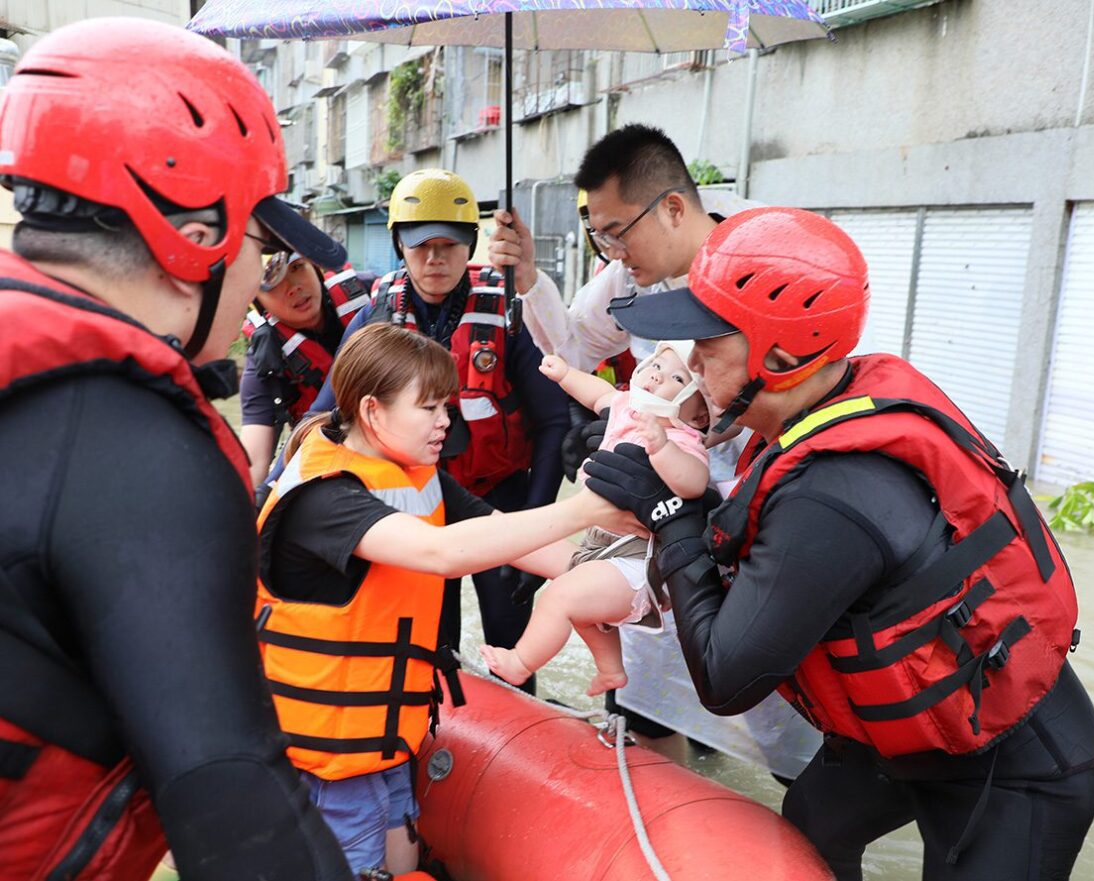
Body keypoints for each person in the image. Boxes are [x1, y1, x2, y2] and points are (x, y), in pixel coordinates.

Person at [583, 206, 1094, 880]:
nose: (689, 360)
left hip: (1015, 759)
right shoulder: (817, 416)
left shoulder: (831, 491)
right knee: (811, 826)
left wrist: (669, 514)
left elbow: (725, 677)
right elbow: (757, 544)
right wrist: (684, 499)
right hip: (905, 734)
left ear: (778, 356)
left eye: (708, 341)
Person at [0, 18, 358, 881]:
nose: (257, 284)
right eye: (260, 249)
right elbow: (238, 802)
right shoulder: (138, 448)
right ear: (195, 235)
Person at [490, 124, 822, 776]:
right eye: (598, 234)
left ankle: (800, 816)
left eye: (619, 231)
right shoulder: (626, 281)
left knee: (774, 692)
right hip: (647, 512)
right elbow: (574, 348)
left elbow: (807, 390)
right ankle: (671, 814)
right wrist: (529, 278)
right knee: (647, 686)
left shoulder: (764, 263)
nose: (611, 250)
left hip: (745, 503)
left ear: (673, 207)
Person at [257, 322, 630, 876]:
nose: (446, 421)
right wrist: (587, 508)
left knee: (403, 862)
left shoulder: (414, 477)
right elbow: (442, 553)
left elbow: (512, 537)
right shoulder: (324, 496)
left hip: (382, 746)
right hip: (321, 764)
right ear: (372, 411)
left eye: (446, 405)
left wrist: (632, 582)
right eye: (429, 407)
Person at [291, 168, 571, 690]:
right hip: (412, 506)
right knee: (424, 648)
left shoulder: (508, 313)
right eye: (421, 246)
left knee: (512, 647)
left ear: (471, 246)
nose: (434, 259)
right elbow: (324, 420)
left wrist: (532, 519)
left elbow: (554, 422)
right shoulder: (374, 319)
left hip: (500, 497)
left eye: (448, 245)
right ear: (399, 243)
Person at [480, 342, 710, 695]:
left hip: (636, 563)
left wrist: (661, 448)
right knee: (521, 543)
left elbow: (694, 483)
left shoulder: (683, 438)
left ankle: (520, 663)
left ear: (699, 415)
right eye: (656, 366)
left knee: (561, 596)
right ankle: (611, 670)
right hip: (597, 545)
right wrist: (565, 374)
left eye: (676, 377)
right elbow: (598, 393)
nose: (657, 376)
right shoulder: (623, 408)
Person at [240, 249, 373, 487]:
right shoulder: (265, 365)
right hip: (331, 473)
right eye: (273, 283)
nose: (293, 287)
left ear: (315, 267)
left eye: (296, 267)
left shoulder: (374, 296)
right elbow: (254, 462)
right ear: (259, 303)